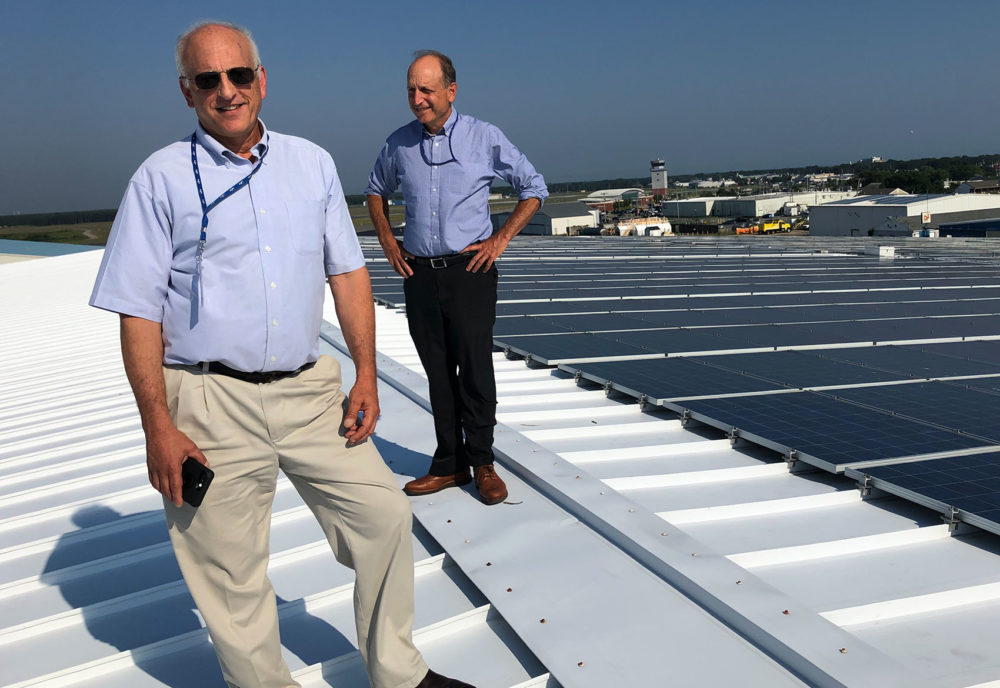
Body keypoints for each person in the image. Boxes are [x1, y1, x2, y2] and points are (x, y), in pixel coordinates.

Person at [90, 22, 472, 688]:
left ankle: (399, 675)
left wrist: (365, 375)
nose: (228, 91)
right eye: (209, 80)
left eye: (240, 75)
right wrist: (158, 425)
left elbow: (347, 274)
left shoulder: (312, 164)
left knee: (382, 517)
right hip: (208, 403)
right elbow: (138, 310)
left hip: (309, 391)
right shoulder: (159, 180)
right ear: (188, 92)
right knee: (229, 574)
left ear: (262, 80)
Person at [366, 51, 548, 506]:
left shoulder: (484, 137)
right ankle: (449, 463)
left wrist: (500, 239)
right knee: (437, 373)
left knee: (475, 370)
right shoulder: (398, 143)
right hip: (420, 274)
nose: (418, 99)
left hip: (470, 273)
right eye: (411, 90)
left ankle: (483, 462)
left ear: (451, 90)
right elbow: (374, 190)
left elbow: (534, 187)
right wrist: (388, 240)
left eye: (426, 89)